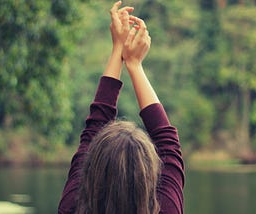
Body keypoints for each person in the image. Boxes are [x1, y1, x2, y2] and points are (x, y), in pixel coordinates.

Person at [58, 1, 185, 213]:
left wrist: (118, 49)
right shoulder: (166, 209)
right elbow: (168, 142)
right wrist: (134, 64)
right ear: (149, 174)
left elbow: (93, 128)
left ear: (92, 167)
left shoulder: (73, 207)